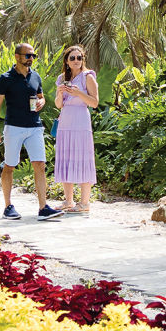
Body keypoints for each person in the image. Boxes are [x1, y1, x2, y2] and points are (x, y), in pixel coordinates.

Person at [0, 43, 63, 221]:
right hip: (13, 127)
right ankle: (8, 206)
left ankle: (43, 208)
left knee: (40, 164)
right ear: (17, 56)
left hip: (35, 127)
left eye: (33, 56)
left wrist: (42, 102)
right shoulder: (5, 78)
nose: (31, 58)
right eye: (27, 55)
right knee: (10, 166)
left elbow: (41, 97)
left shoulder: (36, 77)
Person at [53, 44, 98, 213]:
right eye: (72, 58)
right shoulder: (62, 78)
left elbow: (94, 103)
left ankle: (85, 203)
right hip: (65, 123)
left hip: (81, 122)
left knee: (83, 159)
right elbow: (59, 105)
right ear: (67, 60)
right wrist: (59, 92)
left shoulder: (88, 77)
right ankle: (68, 201)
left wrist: (78, 93)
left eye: (79, 57)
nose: (76, 60)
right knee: (66, 158)